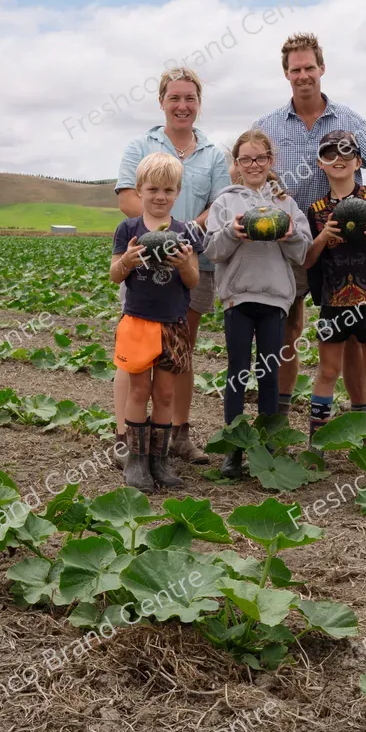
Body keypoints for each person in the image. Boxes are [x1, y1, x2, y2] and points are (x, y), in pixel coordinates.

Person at [252, 33, 366, 416]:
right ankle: (280, 417)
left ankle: (361, 418)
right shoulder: (267, 125)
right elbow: (251, 175)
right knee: (288, 328)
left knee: (352, 338)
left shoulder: (348, 120)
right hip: (291, 245)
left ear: (322, 68)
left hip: (344, 251)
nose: (303, 75)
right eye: (295, 69)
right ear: (286, 74)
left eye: (309, 67)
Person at [115, 67, 231, 465]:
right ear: (162, 101)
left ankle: (177, 435)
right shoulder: (140, 145)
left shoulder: (214, 153)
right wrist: (158, 234)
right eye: (174, 98)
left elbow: (218, 205)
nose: (182, 106)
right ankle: (125, 437)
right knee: (135, 353)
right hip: (143, 262)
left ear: (199, 103)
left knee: (181, 350)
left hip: (192, 259)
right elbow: (128, 199)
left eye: (190, 99)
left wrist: (182, 237)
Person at [204, 130, 311, 478]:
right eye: (246, 159)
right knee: (237, 373)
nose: (254, 165)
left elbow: (302, 252)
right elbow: (212, 251)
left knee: (268, 374)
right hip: (238, 297)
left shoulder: (285, 204)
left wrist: (291, 232)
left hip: (275, 299)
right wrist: (232, 233)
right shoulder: (224, 202)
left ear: (271, 162)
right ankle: (233, 448)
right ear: (236, 164)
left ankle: (266, 449)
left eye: (261, 158)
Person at [304, 131, 366, 448]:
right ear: (321, 164)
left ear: (358, 161)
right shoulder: (316, 209)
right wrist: (322, 237)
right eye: (330, 154)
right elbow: (307, 260)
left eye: (346, 154)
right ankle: (316, 442)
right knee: (327, 371)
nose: (338, 160)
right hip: (332, 303)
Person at [110, 153, 202, 491]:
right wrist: (129, 262)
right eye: (152, 189)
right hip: (137, 323)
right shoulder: (128, 230)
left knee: (164, 394)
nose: (160, 196)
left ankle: (159, 461)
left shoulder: (185, 233)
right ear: (139, 191)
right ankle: (136, 461)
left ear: (177, 192)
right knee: (138, 389)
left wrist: (183, 265)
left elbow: (193, 281)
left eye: (167, 189)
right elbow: (113, 274)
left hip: (173, 325)